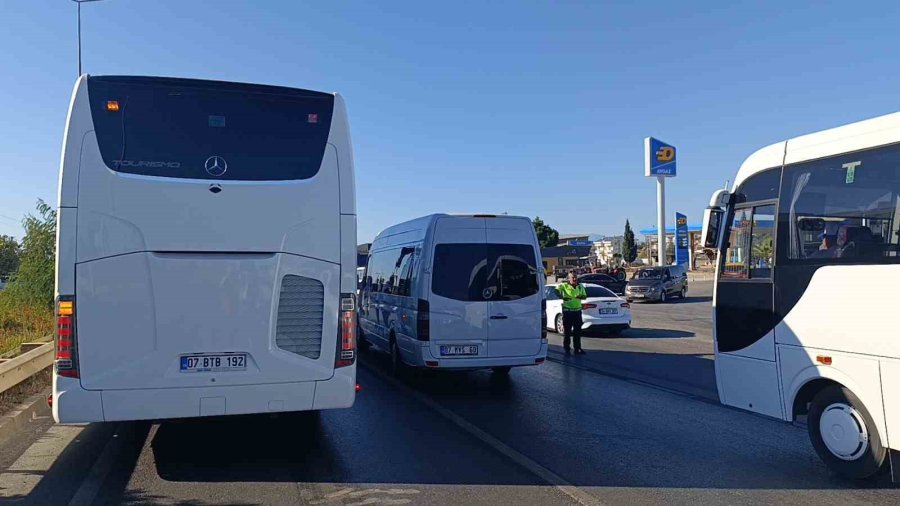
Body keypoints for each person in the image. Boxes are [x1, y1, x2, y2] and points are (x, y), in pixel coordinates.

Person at [555, 271, 587, 354]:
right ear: (568, 278)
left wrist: (579, 296)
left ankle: (577, 348)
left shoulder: (580, 286)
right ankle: (567, 347)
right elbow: (556, 291)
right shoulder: (564, 285)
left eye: (575, 277)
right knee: (567, 331)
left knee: (577, 331)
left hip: (577, 311)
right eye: (573, 277)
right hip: (568, 312)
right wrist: (562, 297)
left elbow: (584, 296)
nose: (575, 279)